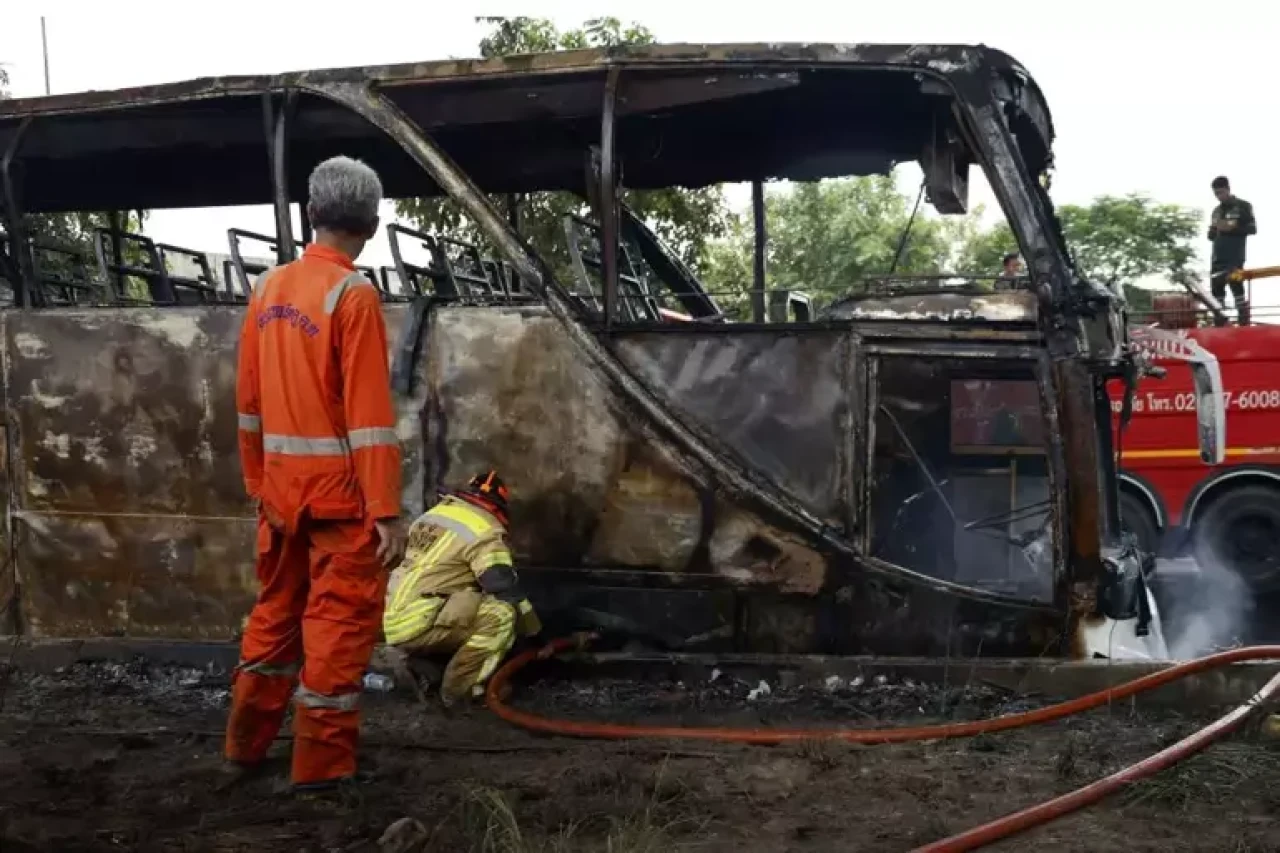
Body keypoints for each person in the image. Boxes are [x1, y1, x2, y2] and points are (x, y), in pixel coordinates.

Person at [224, 155, 407, 792]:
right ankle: (322, 770)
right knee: (337, 628)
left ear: (311, 214)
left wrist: (259, 484)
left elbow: (248, 403)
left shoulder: (267, 289)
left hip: (280, 498)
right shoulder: (353, 296)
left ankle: (245, 746)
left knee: (274, 616)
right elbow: (370, 420)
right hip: (340, 504)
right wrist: (385, 509)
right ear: (374, 225)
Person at [382, 470, 543, 707]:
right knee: (501, 614)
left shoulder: (432, 516)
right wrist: (534, 635)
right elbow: (502, 586)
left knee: (467, 597)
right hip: (421, 621)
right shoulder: (485, 529)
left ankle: (424, 665)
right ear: (498, 506)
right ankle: (460, 690)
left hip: (393, 618)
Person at [1208, 176, 1257, 326]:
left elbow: (1253, 229)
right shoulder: (1216, 211)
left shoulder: (1243, 206)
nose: (1219, 196)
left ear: (1228, 189)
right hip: (1217, 256)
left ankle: (1243, 321)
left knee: (1236, 287)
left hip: (1234, 256)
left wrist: (1232, 228)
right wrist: (1212, 231)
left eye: (1221, 192)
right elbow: (1211, 237)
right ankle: (1219, 322)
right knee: (1216, 291)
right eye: (1216, 194)